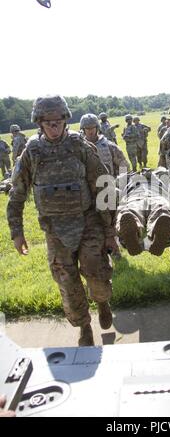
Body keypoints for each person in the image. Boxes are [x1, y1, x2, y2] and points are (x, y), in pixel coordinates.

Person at [7, 95, 118, 347]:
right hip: (55, 230)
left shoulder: (79, 146)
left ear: (65, 121)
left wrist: (110, 230)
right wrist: (17, 231)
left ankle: (102, 302)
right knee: (67, 284)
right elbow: (17, 192)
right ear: (39, 123)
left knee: (96, 273)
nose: (54, 127)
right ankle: (84, 327)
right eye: (48, 123)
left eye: (58, 122)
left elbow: (103, 186)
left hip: (88, 222)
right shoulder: (32, 152)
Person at [116, 167, 170, 256]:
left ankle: (159, 234)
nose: (145, 171)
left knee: (161, 213)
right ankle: (132, 235)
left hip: (150, 195)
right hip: (140, 196)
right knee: (129, 213)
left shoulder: (160, 174)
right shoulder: (129, 177)